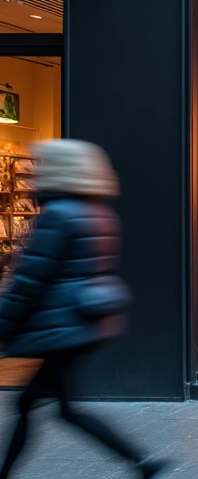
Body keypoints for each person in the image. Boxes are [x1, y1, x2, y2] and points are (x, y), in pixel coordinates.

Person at [0, 140, 169, 478]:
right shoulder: (99, 212)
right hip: (82, 323)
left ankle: (143, 463)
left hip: (61, 326)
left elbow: (30, 279)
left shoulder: (58, 216)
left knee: (53, 408)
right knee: (52, 407)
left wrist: (5, 322)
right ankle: (142, 463)